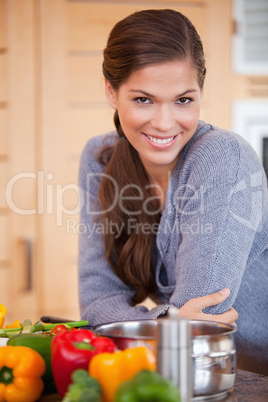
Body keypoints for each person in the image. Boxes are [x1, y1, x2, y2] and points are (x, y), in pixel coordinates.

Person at [78, 9, 268, 374]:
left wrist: (159, 325)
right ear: (110, 91)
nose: (165, 124)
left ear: (201, 92)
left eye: (183, 100)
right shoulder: (99, 160)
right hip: (207, 376)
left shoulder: (221, 157)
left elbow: (204, 320)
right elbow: (98, 300)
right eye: (143, 99)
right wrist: (170, 323)